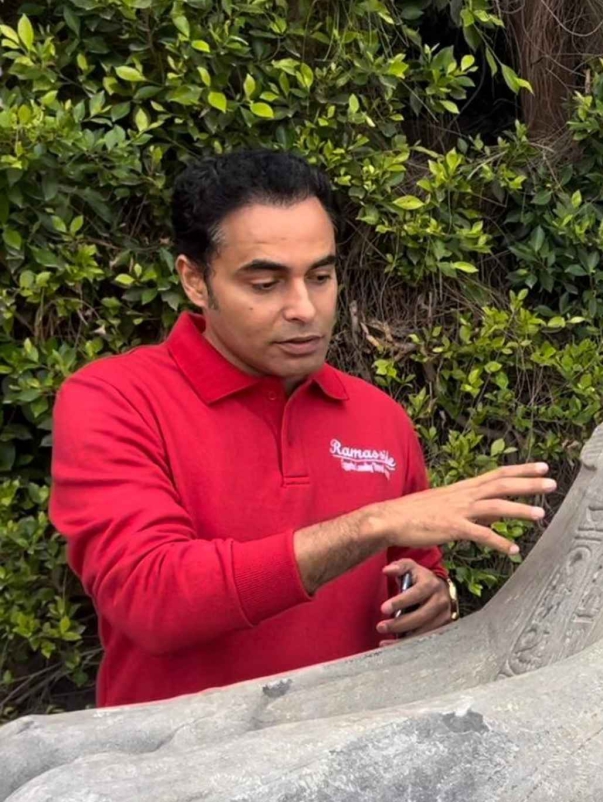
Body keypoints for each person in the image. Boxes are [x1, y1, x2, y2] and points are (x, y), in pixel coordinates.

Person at [48, 149, 555, 708]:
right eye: (266, 284)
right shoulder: (116, 400)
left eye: (320, 277)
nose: (304, 309)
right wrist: (369, 524)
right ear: (195, 281)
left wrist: (436, 598)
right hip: (184, 756)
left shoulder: (377, 416)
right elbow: (152, 600)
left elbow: (418, 569)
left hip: (352, 747)